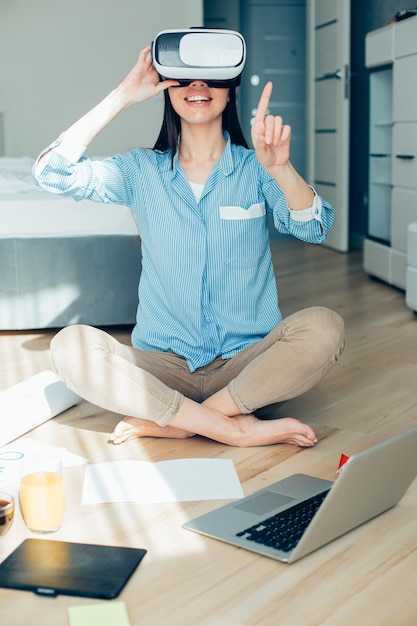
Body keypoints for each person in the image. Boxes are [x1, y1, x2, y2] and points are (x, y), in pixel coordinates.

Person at [33, 35, 345, 449]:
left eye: (211, 79)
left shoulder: (258, 168)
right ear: (167, 90)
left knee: (325, 327)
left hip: (244, 366)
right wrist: (123, 95)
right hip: (161, 368)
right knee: (69, 347)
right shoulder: (139, 171)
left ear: (231, 90)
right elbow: (51, 172)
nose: (198, 88)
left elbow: (315, 228)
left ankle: (180, 420)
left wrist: (282, 169)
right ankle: (231, 426)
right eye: (183, 79)